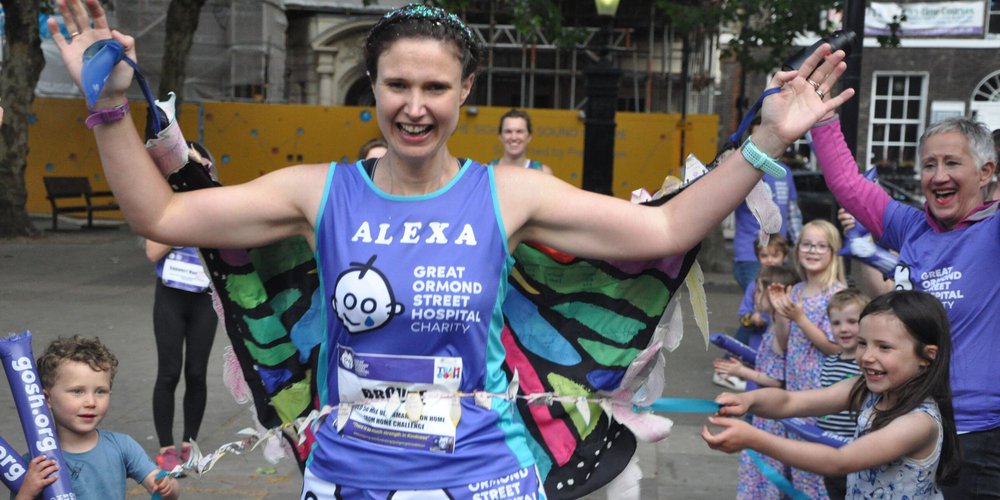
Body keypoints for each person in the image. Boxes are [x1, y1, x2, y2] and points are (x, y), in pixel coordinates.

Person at [49, 0, 853, 495]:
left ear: (465, 92)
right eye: (398, 85)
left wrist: (767, 141)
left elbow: (670, 230)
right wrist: (111, 110)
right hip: (349, 477)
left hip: (487, 475)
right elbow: (161, 212)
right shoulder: (317, 192)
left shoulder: (510, 194)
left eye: (436, 87)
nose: (414, 106)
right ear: (373, 86)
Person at [811, 108, 999, 497]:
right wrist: (822, 114)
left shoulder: (993, 232)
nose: (938, 175)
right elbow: (846, 183)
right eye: (929, 164)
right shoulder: (910, 227)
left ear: (985, 173)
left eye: (952, 163)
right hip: (902, 422)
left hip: (973, 437)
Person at [702, 290, 960, 499]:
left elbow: (840, 461)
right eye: (863, 343)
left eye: (884, 347)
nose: (867, 356)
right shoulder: (865, 389)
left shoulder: (919, 422)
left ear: (927, 357)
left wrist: (754, 439)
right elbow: (791, 400)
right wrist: (748, 401)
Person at [14, 336, 179, 500]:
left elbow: (163, 486)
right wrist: (27, 492)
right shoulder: (36, 463)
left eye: (100, 391)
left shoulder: (122, 446)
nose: (91, 402)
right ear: (47, 398)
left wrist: (167, 487)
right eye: (77, 391)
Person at [766, 218, 845, 498]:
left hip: (822, 394)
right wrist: (779, 314)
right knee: (794, 470)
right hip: (795, 388)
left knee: (814, 473)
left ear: (834, 252)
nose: (812, 251)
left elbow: (835, 348)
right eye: (807, 244)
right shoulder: (796, 289)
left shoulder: (837, 294)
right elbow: (786, 344)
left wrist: (799, 317)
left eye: (821, 246)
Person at [714, 265, 800, 499]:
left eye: (759, 292)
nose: (754, 296)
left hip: (770, 417)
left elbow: (775, 380)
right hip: (763, 411)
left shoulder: (780, 329)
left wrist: (741, 371)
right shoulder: (772, 328)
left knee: (767, 475)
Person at [144, 238, 216, 473]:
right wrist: (188, 229)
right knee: (169, 372)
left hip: (205, 298)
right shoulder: (170, 208)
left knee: (197, 372)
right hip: (170, 296)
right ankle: (166, 448)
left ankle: (189, 444)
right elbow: (152, 252)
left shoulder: (214, 203)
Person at [731, 119, 802, 293]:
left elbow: (792, 215)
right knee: (759, 301)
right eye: (757, 138)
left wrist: (801, 247)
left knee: (777, 307)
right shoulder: (742, 172)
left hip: (779, 253)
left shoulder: (784, 172)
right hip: (750, 255)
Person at [714, 234, 789, 391]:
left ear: (785, 257)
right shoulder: (753, 285)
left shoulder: (790, 282)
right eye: (764, 255)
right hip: (757, 337)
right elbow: (743, 312)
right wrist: (752, 318)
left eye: (775, 255)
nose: (769, 260)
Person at [817, 288, 869, 498]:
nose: (843, 329)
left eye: (851, 321)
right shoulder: (829, 362)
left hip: (856, 453)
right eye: (836, 323)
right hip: (828, 451)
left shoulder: (867, 365)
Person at [487, 109, 553, 174]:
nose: (514, 137)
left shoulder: (542, 172)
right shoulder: (487, 171)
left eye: (519, 131)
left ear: (529, 137)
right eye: (508, 131)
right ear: (500, 136)